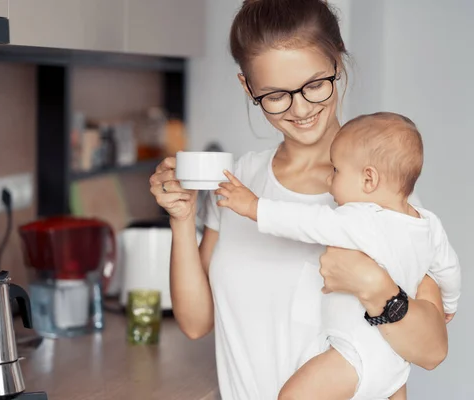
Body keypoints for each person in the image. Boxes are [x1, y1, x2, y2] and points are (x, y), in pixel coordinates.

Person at [149, 0, 449, 398]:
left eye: (314, 85)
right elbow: (195, 323)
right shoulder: (239, 183)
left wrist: (375, 286)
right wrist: (182, 219)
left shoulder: (381, 194)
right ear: (248, 87)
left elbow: (431, 351)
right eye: (275, 95)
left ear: (337, 63)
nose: (301, 108)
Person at [216, 111, 461, 400]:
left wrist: (254, 206)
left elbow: (305, 222)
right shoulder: (427, 222)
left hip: (354, 352)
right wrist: (450, 303)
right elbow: (449, 268)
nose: (329, 179)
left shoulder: (359, 218)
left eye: (336, 170)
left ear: (368, 179)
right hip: (395, 361)